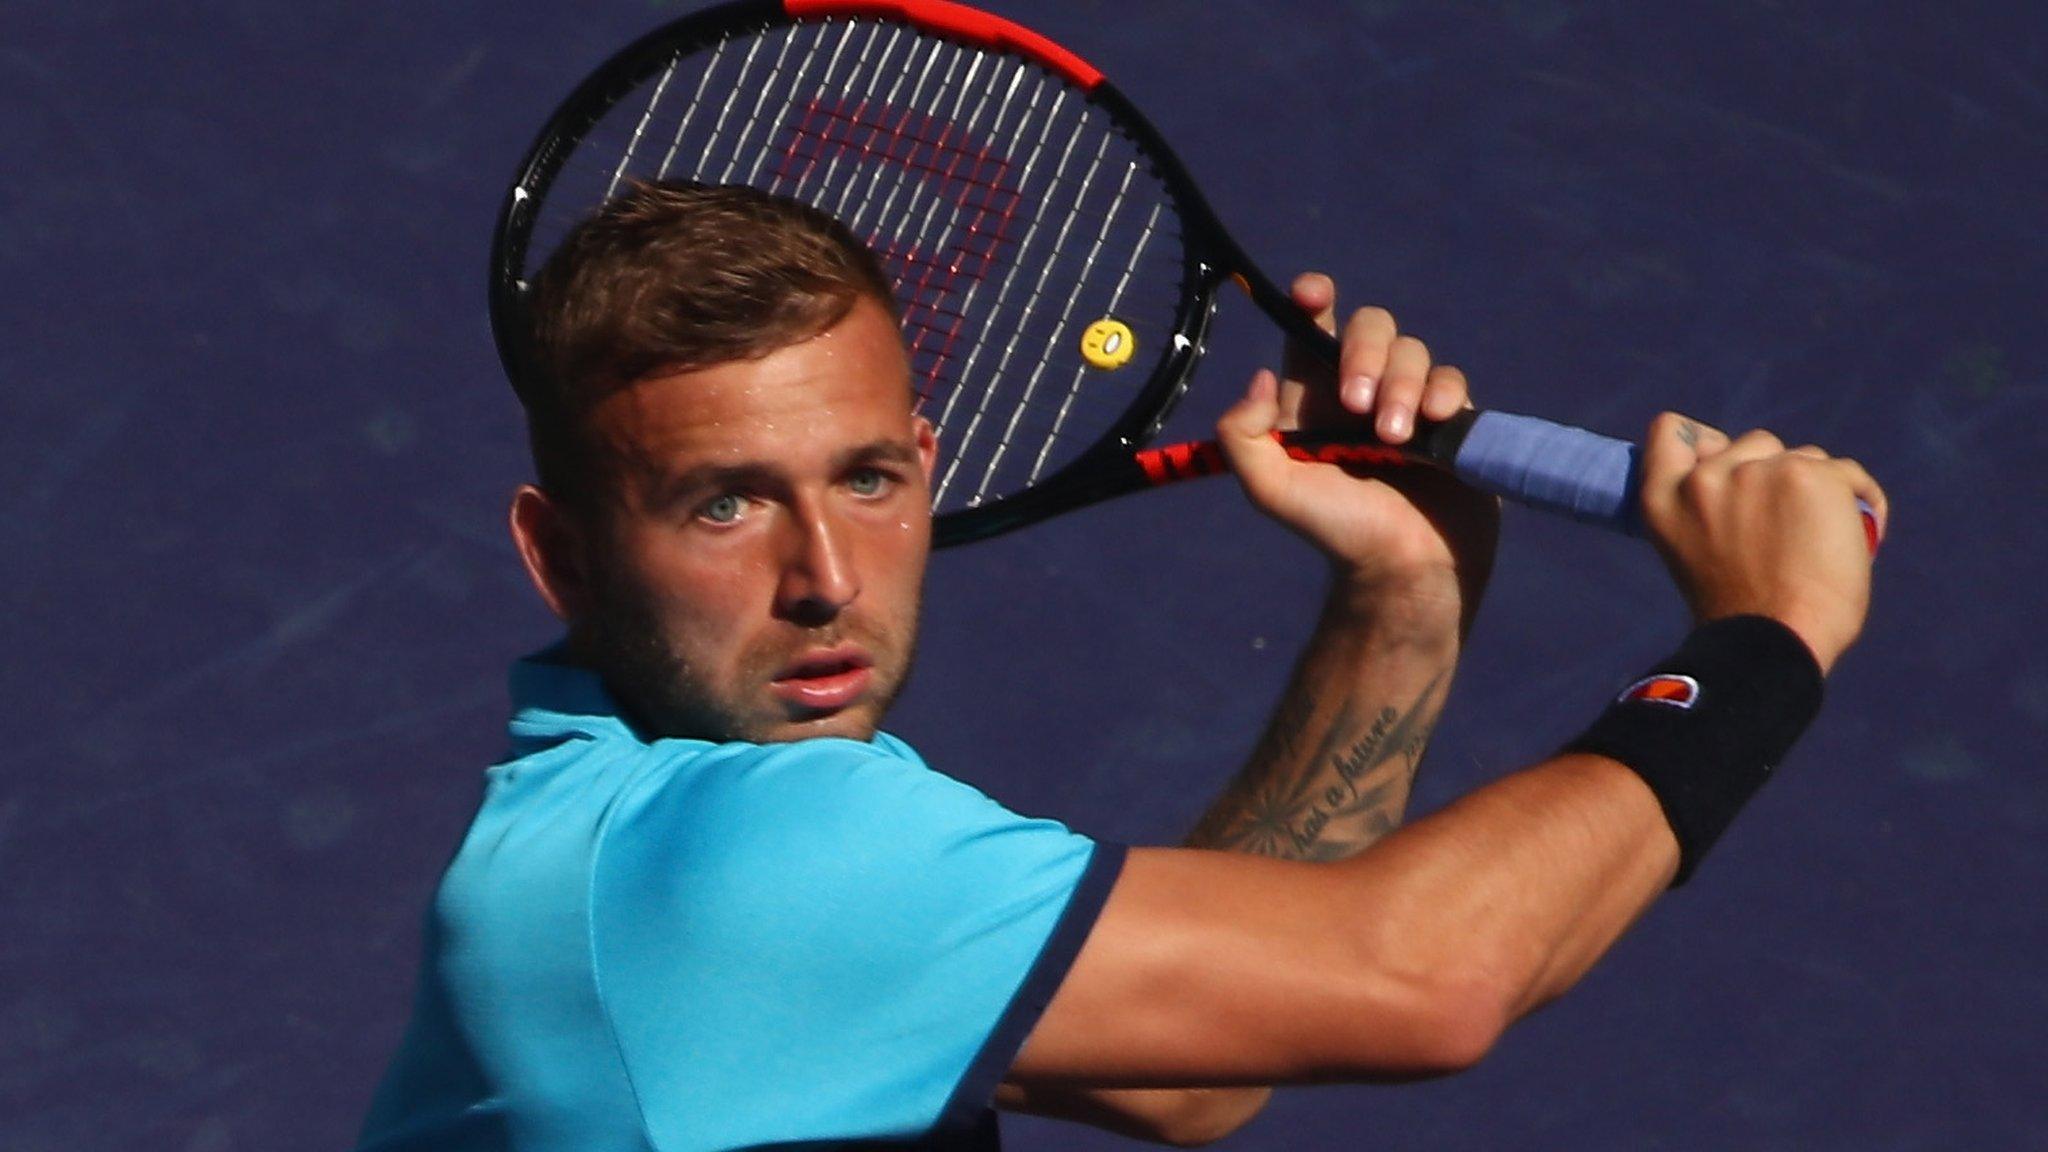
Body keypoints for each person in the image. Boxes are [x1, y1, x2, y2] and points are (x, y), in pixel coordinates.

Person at [353, 181, 1886, 1150]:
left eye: (870, 480)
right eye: (727, 503)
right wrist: (1764, 634)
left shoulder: (638, 826)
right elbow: (1425, 979)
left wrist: (1401, 601)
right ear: (559, 553)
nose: (825, 580)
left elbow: (1185, 1084)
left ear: (929, 462)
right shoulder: (722, 859)